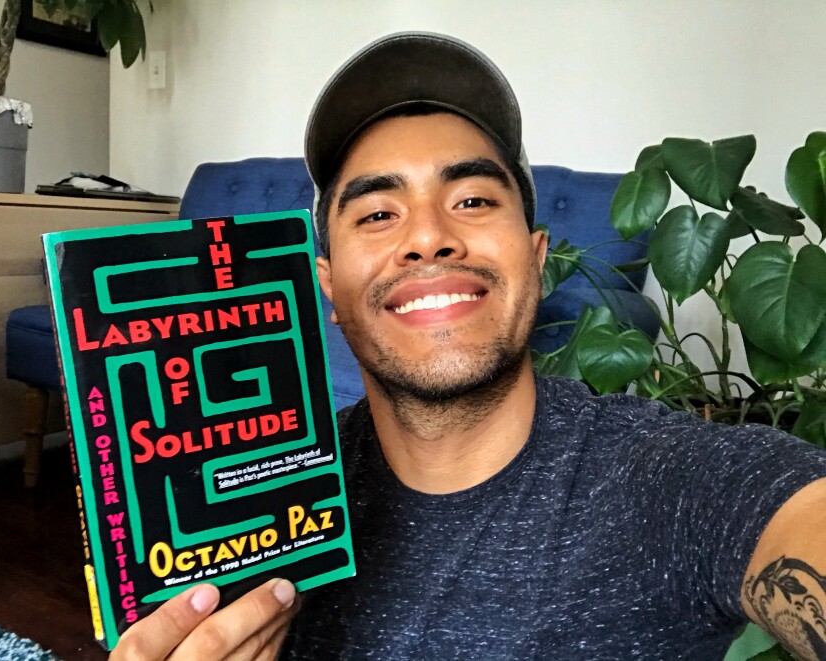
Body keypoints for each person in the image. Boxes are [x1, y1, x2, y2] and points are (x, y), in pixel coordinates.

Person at [111, 32, 826, 660]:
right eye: (379, 212)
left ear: (538, 257)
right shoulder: (256, 512)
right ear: (325, 286)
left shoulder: (675, 479)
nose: (427, 236)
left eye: (474, 200)